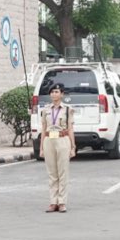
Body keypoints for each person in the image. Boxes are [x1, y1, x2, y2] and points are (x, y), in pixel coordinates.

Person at [40, 82, 75, 212]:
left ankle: (62, 202)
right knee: (52, 173)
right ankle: (53, 201)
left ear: (62, 94)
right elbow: (43, 129)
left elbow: (71, 128)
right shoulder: (45, 110)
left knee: (63, 172)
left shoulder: (67, 109)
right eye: (52, 92)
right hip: (49, 139)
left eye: (57, 92)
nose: (54, 94)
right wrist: (42, 148)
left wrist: (73, 146)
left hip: (62, 139)